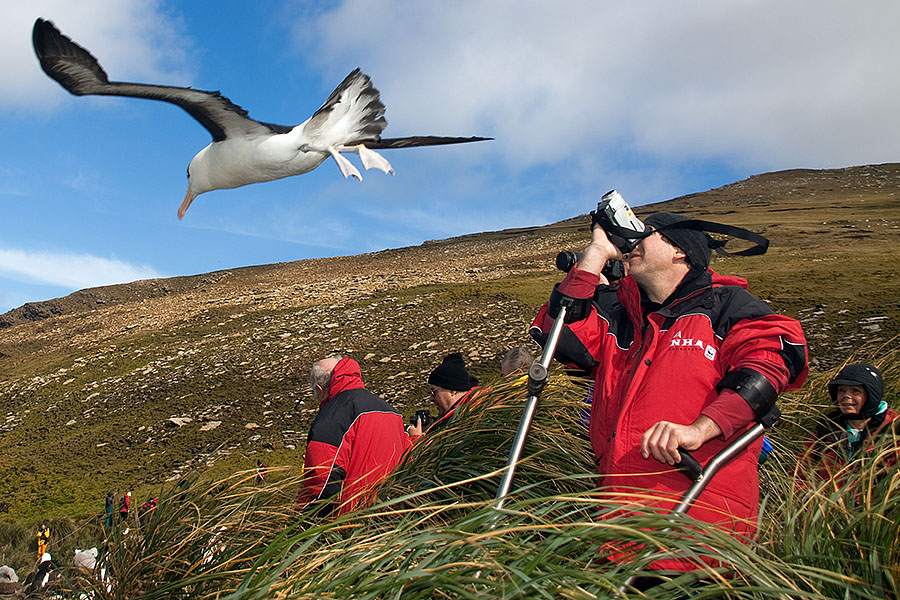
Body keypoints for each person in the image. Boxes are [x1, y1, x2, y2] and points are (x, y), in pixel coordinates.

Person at [531, 211, 808, 571]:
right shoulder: (623, 318)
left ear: (680, 251)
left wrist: (702, 429)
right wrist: (595, 255)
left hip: (699, 527)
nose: (633, 243)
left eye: (647, 234)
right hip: (618, 525)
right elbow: (559, 333)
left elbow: (771, 362)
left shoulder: (727, 307)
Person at [298, 355, 411, 515]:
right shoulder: (391, 411)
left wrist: (300, 521)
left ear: (320, 389)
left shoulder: (333, 415)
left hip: (352, 522)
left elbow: (323, 482)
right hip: (394, 514)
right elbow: (409, 459)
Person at [805, 363, 897, 482]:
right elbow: (798, 476)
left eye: (855, 391)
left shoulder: (894, 431)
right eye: (841, 390)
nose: (846, 396)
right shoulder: (826, 432)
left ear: (871, 395)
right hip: (828, 500)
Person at [407, 353, 480, 437]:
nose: (431, 398)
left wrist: (415, 438)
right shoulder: (468, 410)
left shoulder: (466, 420)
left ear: (453, 391)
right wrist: (432, 427)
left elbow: (449, 449)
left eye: (434, 392)